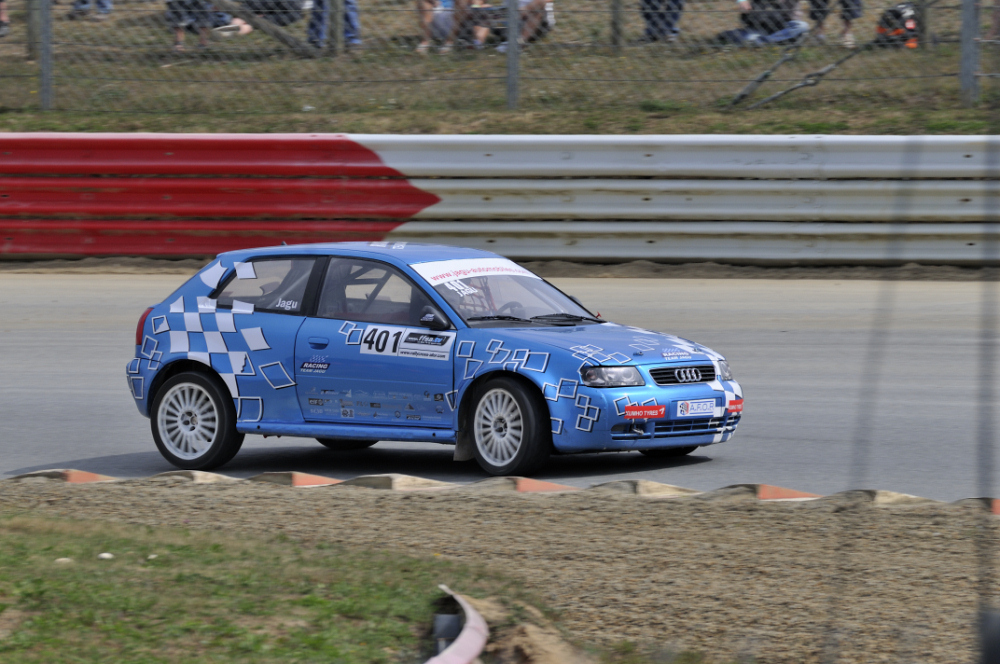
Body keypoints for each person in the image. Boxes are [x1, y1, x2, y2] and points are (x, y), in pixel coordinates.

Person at [717, 0, 808, 46]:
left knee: (802, 26)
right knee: (750, 36)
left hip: (784, 27)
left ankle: (762, 41)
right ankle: (769, 40)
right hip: (761, 25)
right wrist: (741, 1)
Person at [415, 0, 488, 53]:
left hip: (458, 17)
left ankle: (449, 42)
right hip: (437, 11)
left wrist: (476, 5)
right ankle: (425, 42)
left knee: (461, 2)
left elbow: (477, 3)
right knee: (423, 2)